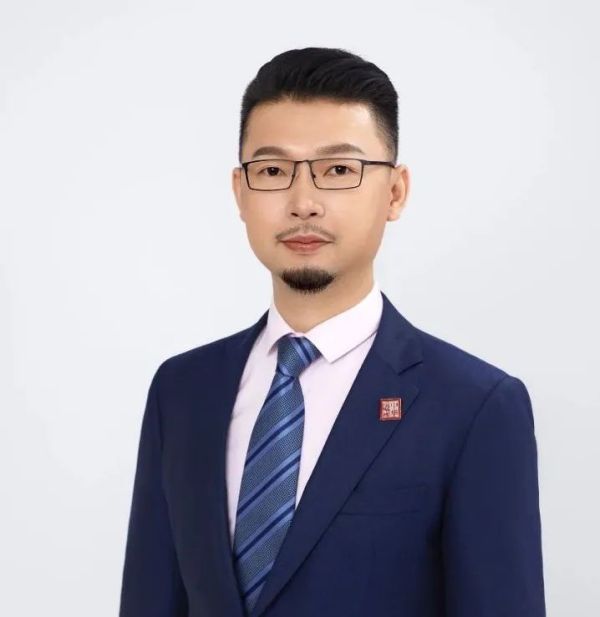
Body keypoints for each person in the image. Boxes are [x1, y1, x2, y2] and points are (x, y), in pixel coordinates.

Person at [118, 46, 546, 617]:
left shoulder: (474, 406)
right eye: (273, 171)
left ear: (395, 192)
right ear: (240, 192)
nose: (303, 203)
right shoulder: (182, 390)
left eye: (339, 170)